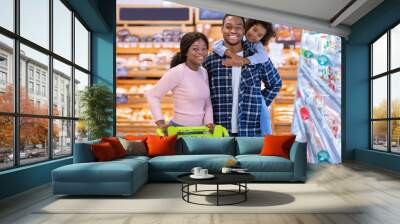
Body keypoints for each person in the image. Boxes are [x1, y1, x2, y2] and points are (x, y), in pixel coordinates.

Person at [203, 15, 282, 136]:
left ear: (244, 29)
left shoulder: (257, 58)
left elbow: (275, 83)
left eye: (238, 27)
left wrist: (259, 105)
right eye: (228, 27)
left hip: (250, 131)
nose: (233, 31)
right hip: (219, 131)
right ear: (222, 29)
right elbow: (202, 92)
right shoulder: (211, 60)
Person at [145, 32, 214, 132]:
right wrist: (160, 122)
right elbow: (152, 95)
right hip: (179, 130)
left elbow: (207, 102)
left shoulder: (203, 72)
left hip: (201, 130)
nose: (201, 52)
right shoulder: (177, 72)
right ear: (186, 52)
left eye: (204, 49)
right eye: (195, 49)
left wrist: (209, 123)